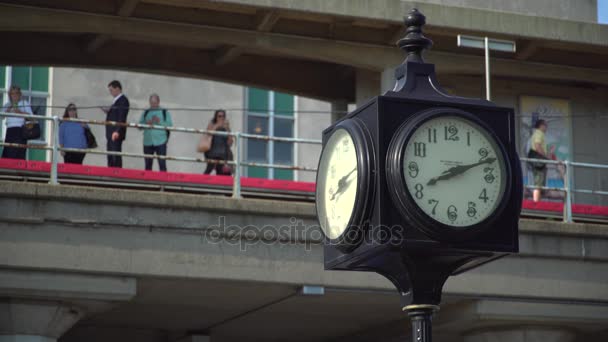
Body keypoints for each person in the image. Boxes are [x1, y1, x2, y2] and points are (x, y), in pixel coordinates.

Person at [139, 94, 173, 172]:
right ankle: (147, 182)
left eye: (154, 103)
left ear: (158, 102)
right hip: (147, 142)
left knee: (162, 164)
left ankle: (163, 183)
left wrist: (159, 121)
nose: (153, 105)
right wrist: (146, 123)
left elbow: (170, 125)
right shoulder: (146, 112)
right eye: (151, 103)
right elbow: (139, 126)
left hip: (161, 141)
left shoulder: (164, 112)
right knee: (148, 165)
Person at [101, 80, 129, 168]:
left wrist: (117, 131)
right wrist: (109, 111)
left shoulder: (122, 100)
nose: (110, 92)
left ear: (117, 88)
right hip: (111, 132)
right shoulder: (117, 100)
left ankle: (115, 171)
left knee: (115, 154)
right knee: (111, 153)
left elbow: (121, 117)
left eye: (111, 90)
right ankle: (111, 170)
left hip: (115, 132)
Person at [1, 85, 33, 159]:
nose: (14, 95)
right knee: (8, 152)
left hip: (20, 130)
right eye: (12, 93)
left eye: (16, 93)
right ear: (10, 95)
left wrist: (20, 112)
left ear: (20, 94)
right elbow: (1, 117)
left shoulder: (24, 103)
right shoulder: (7, 104)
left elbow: (31, 117)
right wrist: (8, 110)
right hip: (10, 130)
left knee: (19, 153)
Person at [528, 119, 554, 202]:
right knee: (538, 182)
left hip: (537, 159)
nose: (546, 128)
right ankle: (536, 202)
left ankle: (538, 200)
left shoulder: (537, 133)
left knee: (540, 182)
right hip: (538, 159)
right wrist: (546, 156)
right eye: (545, 125)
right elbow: (537, 146)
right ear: (541, 125)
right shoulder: (539, 133)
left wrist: (548, 153)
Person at [204, 109, 233, 175]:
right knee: (209, 170)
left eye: (223, 116)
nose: (221, 118)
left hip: (223, 154)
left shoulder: (226, 127)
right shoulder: (212, 124)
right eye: (219, 116)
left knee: (224, 173)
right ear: (216, 117)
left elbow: (230, 143)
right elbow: (208, 135)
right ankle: (201, 182)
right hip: (212, 153)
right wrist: (217, 125)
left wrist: (227, 129)